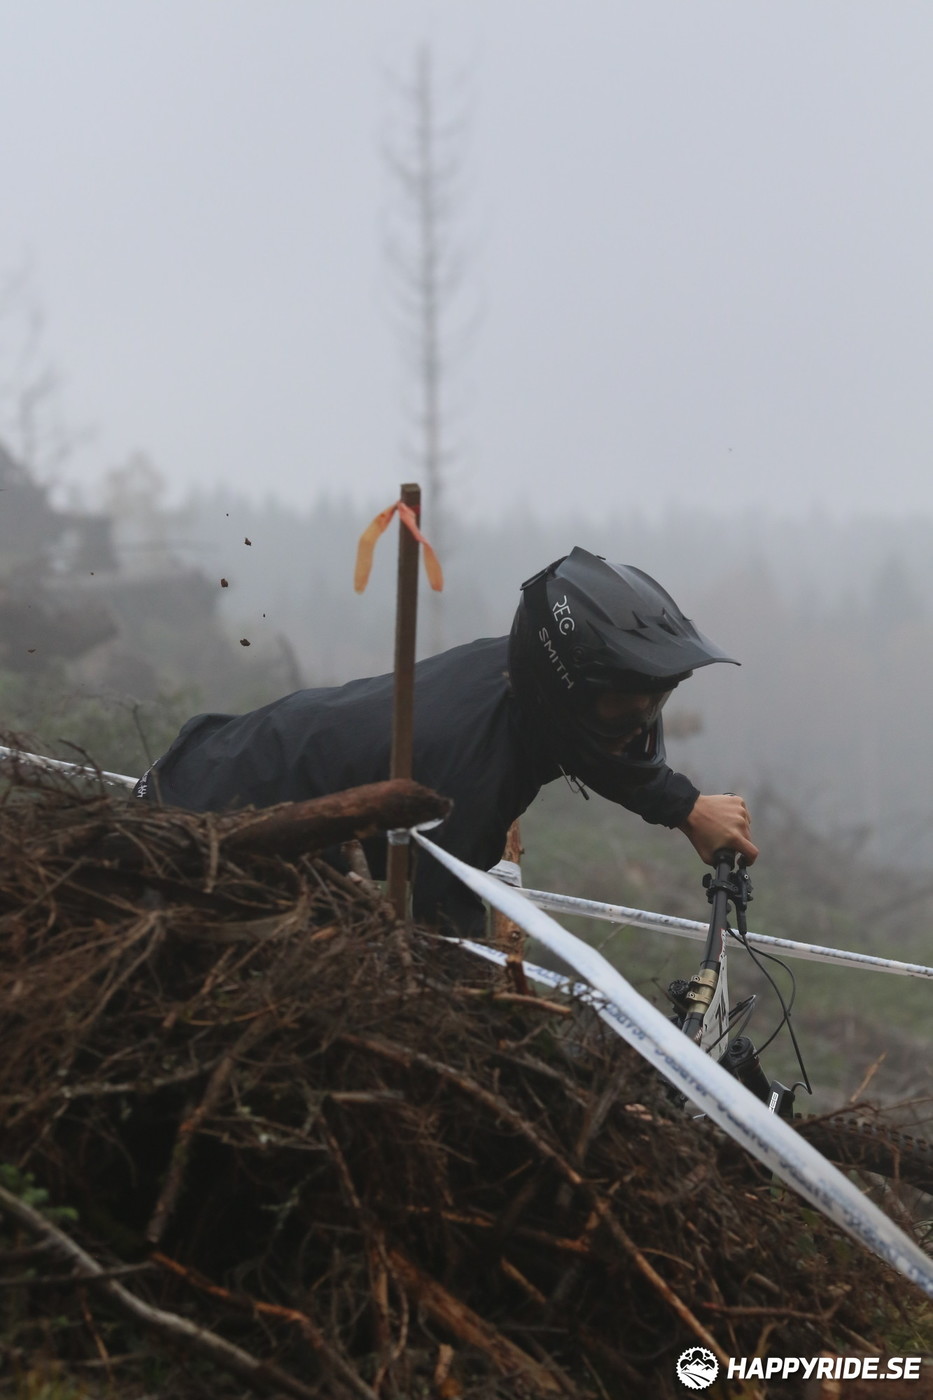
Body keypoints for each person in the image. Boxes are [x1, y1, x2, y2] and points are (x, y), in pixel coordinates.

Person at [136, 547, 757, 934]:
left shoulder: (514, 677)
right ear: (569, 689)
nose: (640, 720)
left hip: (225, 773)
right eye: (627, 701)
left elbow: (584, 741)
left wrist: (684, 807)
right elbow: (446, 946)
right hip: (200, 834)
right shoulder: (470, 776)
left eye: (655, 700)